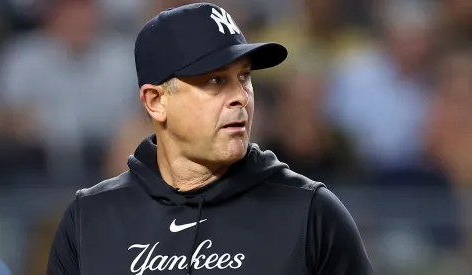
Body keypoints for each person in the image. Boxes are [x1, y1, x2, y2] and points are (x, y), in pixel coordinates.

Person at [46, 3, 373, 275]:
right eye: (216, 80)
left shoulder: (311, 212)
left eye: (244, 77)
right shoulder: (90, 220)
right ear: (156, 102)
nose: (240, 98)